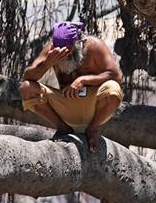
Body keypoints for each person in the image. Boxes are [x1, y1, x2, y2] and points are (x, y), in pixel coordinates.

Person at [19, 21, 124, 150]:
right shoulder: (52, 51)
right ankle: (62, 128)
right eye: (61, 50)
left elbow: (117, 76)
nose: (65, 54)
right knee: (26, 87)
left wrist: (83, 80)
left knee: (113, 88)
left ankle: (93, 128)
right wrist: (47, 63)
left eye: (69, 49)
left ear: (78, 41)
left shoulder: (94, 46)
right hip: (65, 105)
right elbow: (28, 76)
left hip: (93, 106)